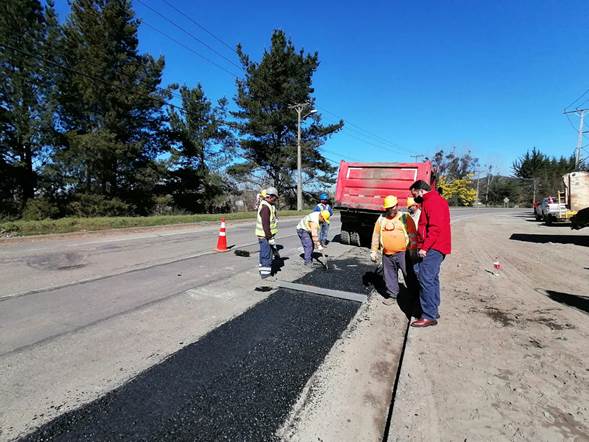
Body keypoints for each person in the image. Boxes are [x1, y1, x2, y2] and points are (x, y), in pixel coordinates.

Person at [409, 180, 451, 327]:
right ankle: (432, 309)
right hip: (435, 247)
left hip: (433, 248)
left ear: (421, 190)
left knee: (425, 279)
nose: (414, 197)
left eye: (414, 193)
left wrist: (424, 248)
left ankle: (428, 316)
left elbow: (435, 229)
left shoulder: (433, 202)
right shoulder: (431, 201)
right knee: (432, 279)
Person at [370, 195, 418, 305]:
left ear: (397, 205)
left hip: (403, 253)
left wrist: (413, 251)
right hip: (387, 254)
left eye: (393, 207)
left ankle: (414, 295)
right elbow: (376, 235)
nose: (391, 209)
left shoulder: (405, 217)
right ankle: (393, 295)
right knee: (389, 275)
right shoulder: (381, 219)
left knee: (409, 274)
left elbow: (413, 235)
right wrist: (373, 251)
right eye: (389, 208)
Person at [255, 187, 278, 279]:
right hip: (265, 236)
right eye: (275, 198)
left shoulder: (268, 205)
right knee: (266, 255)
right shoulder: (265, 208)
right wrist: (270, 238)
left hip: (265, 235)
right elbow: (265, 224)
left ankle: (262, 270)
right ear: (270, 197)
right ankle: (266, 275)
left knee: (264, 253)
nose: (276, 200)